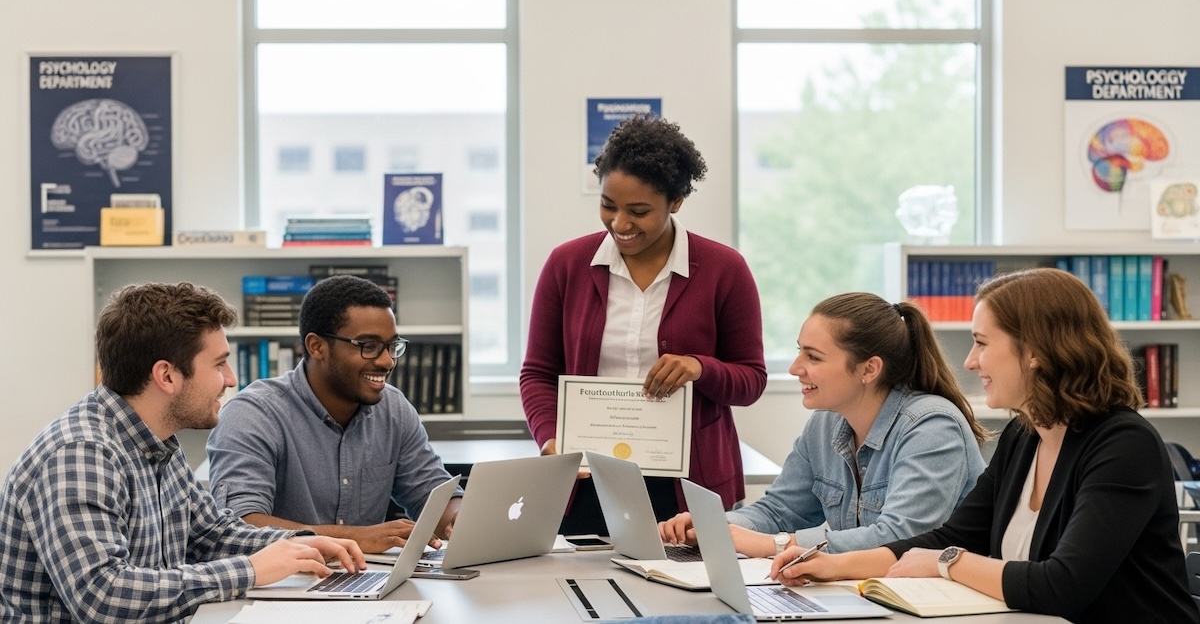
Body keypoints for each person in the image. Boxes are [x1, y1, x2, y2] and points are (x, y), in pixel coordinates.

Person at [771, 268, 1200, 623]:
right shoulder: (1024, 435)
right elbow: (949, 536)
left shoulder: (1124, 445)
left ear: (1033, 351)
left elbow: (1061, 586)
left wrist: (948, 562)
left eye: (981, 343)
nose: (971, 361)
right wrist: (830, 565)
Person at [0, 282, 365, 622]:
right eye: (219, 364)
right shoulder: (80, 454)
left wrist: (300, 545)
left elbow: (211, 535)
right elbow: (103, 595)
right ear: (168, 376)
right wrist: (251, 571)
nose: (232, 379)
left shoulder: (157, 442)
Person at [520, 114, 767, 534]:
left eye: (639, 211)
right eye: (608, 205)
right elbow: (538, 374)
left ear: (675, 202)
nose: (619, 224)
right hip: (587, 480)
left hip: (688, 485)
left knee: (691, 596)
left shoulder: (725, 269)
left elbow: (751, 380)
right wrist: (550, 438)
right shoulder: (567, 265)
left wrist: (700, 367)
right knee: (582, 592)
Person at [660, 293, 988, 557]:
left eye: (813, 357)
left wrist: (777, 545)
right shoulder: (825, 422)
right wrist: (713, 525)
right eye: (799, 352)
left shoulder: (932, 428)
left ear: (869, 369)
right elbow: (780, 510)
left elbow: (900, 538)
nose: (794, 368)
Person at [207, 275, 461, 554]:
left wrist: (459, 518)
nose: (387, 361)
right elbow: (239, 527)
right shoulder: (253, 415)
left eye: (391, 346)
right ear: (317, 346)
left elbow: (433, 494)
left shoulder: (394, 409)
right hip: (279, 587)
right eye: (368, 346)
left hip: (367, 582)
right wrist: (353, 538)